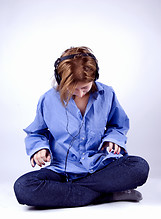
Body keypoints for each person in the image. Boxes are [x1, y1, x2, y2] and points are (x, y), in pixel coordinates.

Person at [14, 46, 149, 208]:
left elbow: (117, 125)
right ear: (61, 79)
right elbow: (36, 132)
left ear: (94, 77)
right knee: (23, 187)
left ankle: (72, 194)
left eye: (85, 87)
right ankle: (106, 194)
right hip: (63, 172)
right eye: (73, 88)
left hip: (101, 167)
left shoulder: (107, 94)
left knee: (139, 167)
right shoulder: (48, 100)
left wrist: (113, 139)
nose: (80, 93)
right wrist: (39, 148)